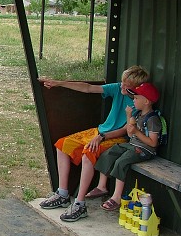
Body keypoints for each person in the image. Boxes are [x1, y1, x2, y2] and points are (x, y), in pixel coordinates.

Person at [38, 65, 150, 222]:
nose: (122, 87)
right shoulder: (118, 88)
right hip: (100, 132)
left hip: (115, 137)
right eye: (122, 82)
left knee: (88, 153)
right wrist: (59, 83)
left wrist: (102, 137)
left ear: (137, 88)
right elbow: (88, 88)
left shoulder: (138, 102)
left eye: (127, 86)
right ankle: (63, 194)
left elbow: (126, 130)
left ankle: (79, 203)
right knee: (62, 145)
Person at [95, 83, 162, 212]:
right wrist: (129, 116)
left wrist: (137, 132)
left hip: (145, 150)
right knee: (109, 153)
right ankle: (101, 186)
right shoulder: (137, 114)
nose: (134, 100)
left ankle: (116, 197)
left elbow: (153, 143)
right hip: (132, 145)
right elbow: (130, 133)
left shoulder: (153, 119)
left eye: (136, 98)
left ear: (146, 101)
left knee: (122, 162)